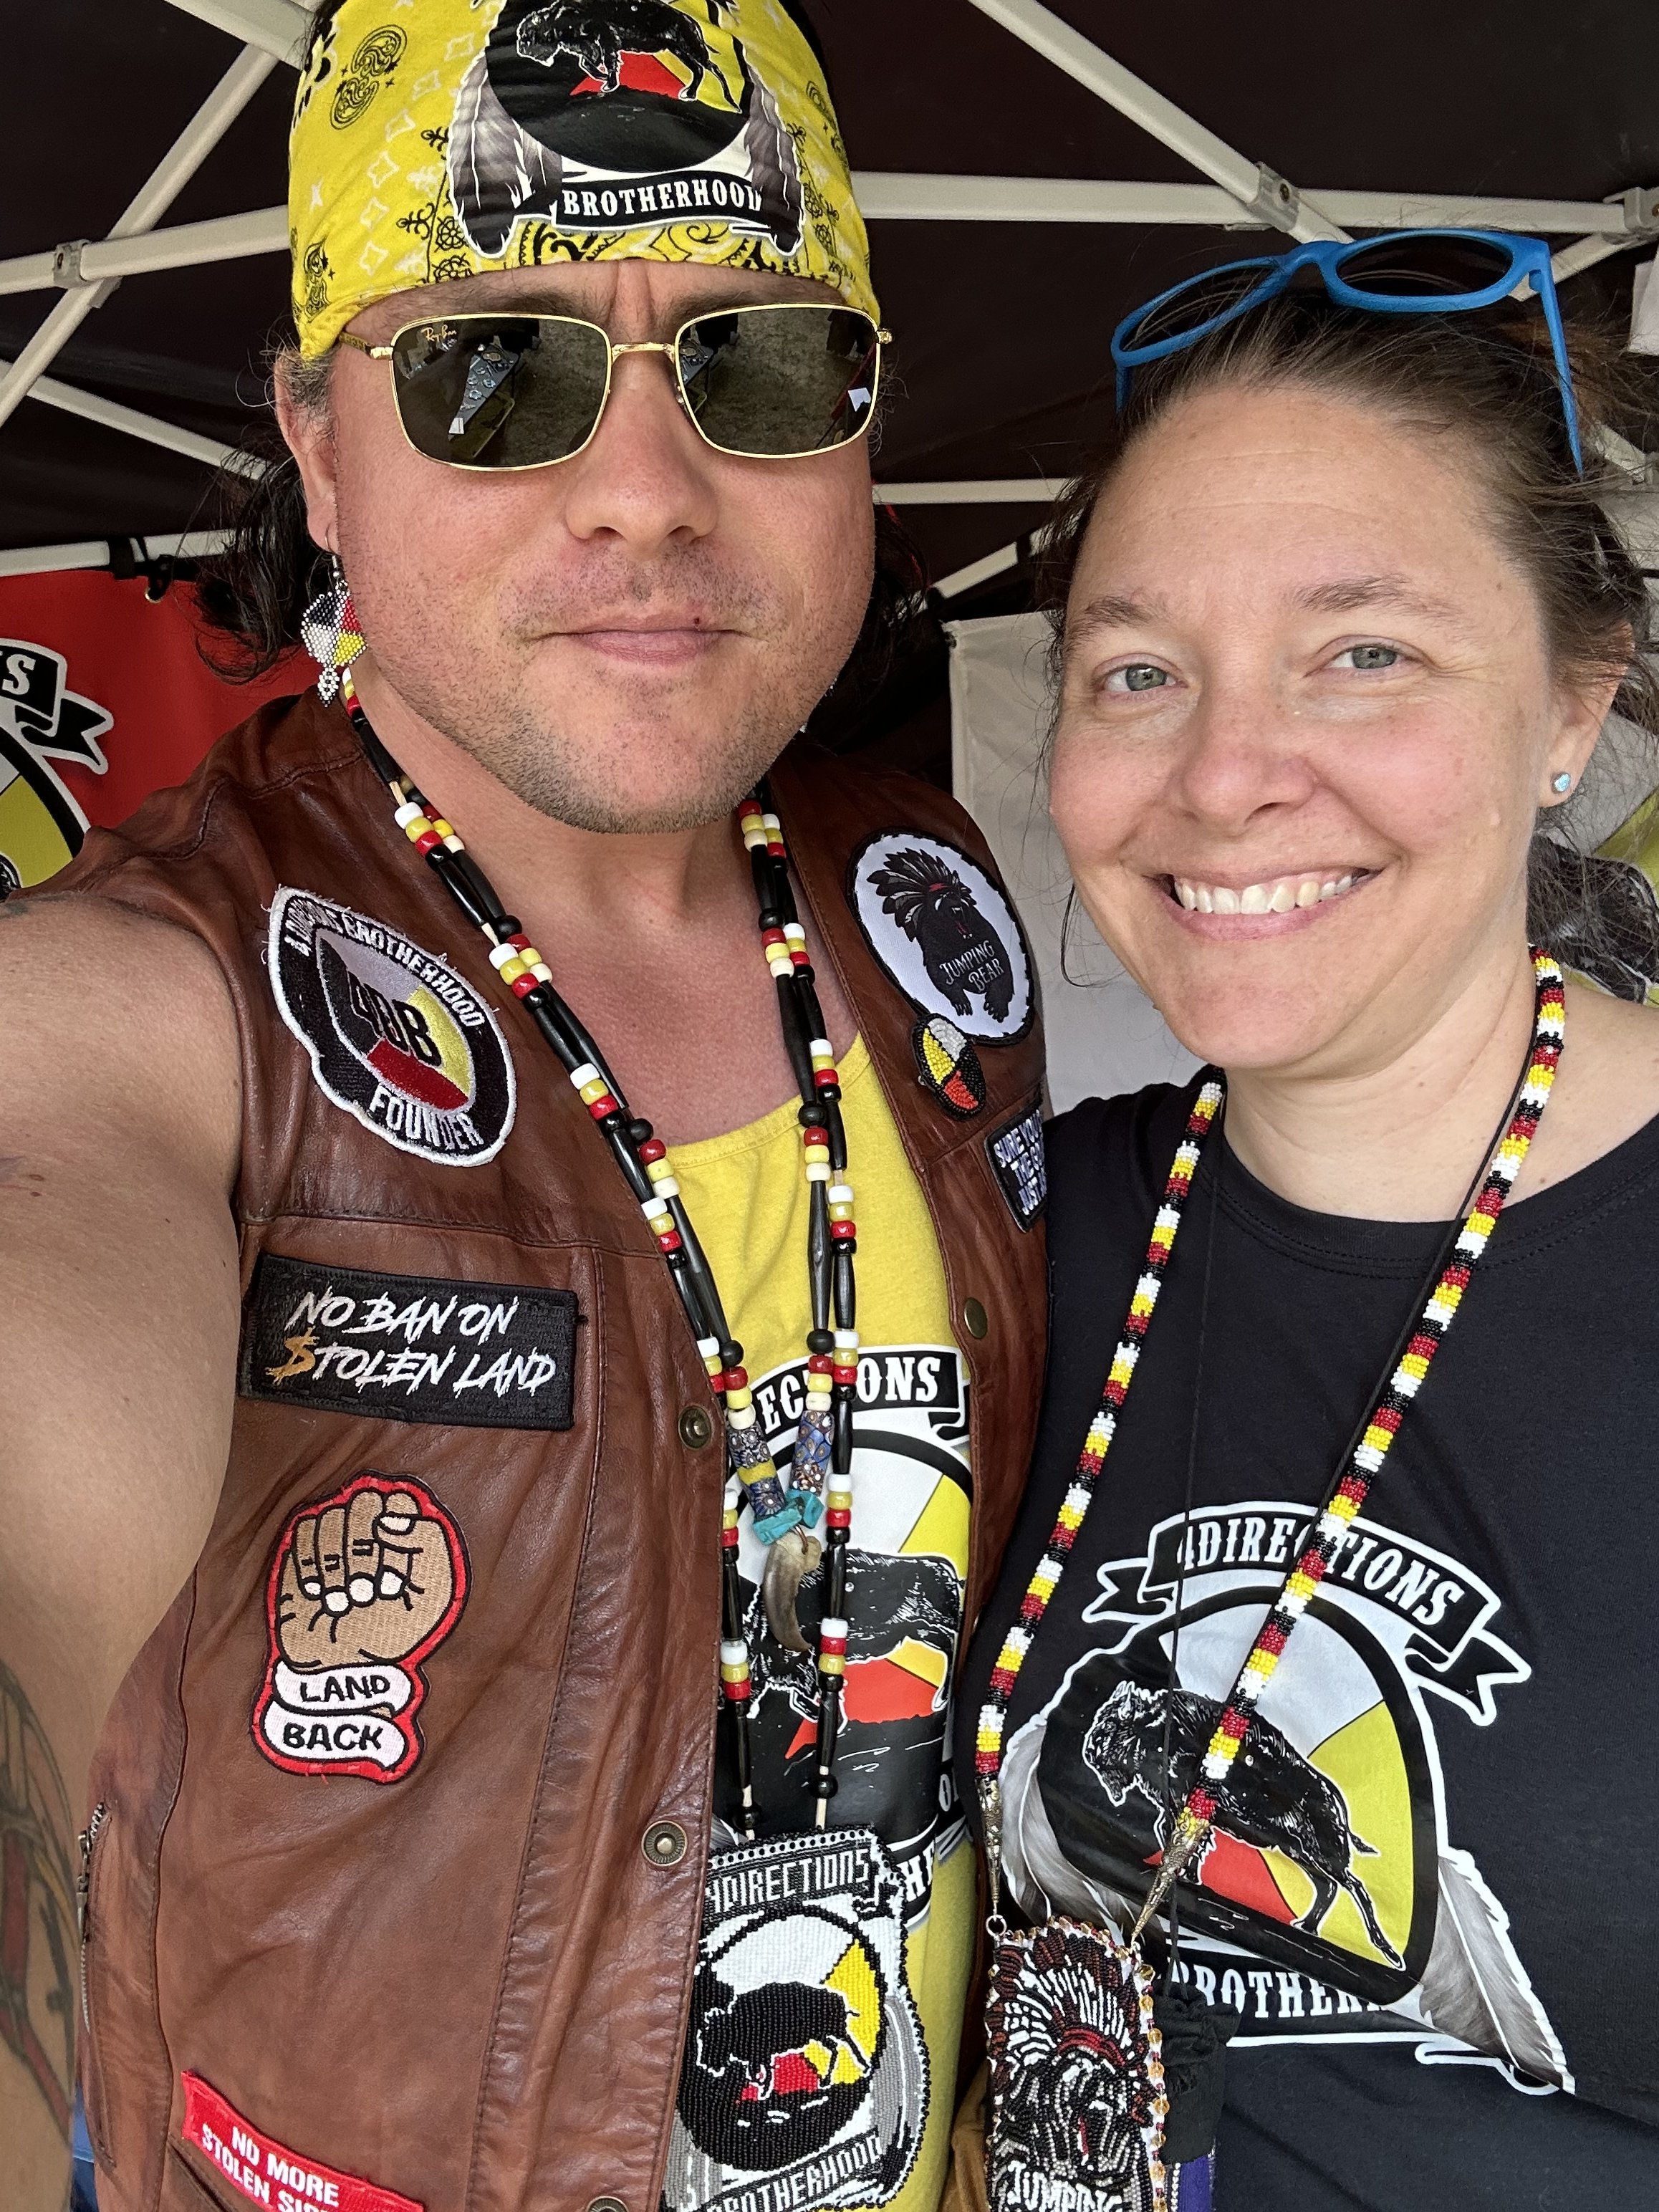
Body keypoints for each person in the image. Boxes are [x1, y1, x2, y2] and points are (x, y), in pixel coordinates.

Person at [0, 4, 1051, 2208]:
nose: (645, 492)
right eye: (498, 370)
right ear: (314, 438)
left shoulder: (928, 903)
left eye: (757, 364)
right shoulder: (137, 1000)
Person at [958, 234, 1659, 2210]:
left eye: (1362, 651)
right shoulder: (1006, 1228)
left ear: (1566, 701)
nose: (1225, 775)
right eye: (1136, 672)